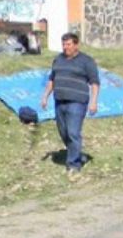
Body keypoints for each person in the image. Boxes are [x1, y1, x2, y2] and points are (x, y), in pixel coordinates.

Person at [41, 32, 100, 174]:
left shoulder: (86, 61)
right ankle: (78, 155)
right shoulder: (58, 60)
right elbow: (52, 80)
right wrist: (45, 97)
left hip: (77, 102)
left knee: (73, 132)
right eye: (63, 44)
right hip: (60, 101)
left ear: (76, 45)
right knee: (64, 132)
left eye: (68, 44)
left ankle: (73, 164)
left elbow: (94, 83)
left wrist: (94, 102)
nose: (65, 47)